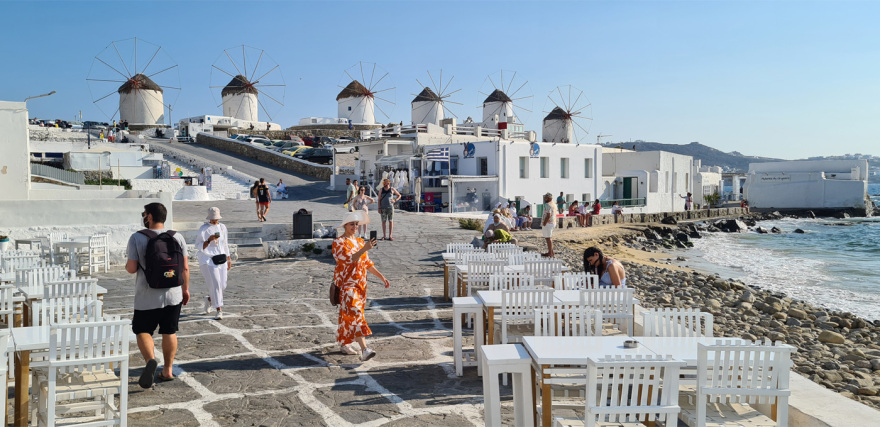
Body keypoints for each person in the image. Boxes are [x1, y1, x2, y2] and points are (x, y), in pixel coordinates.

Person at [125, 202, 190, 388]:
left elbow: (131, 269)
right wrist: (185, 289)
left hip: (147, 294)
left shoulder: (137, 238)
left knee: (142, 330)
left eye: (144, 213)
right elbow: (185, 267)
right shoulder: (177, 237)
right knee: (169, 330)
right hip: (173, 293)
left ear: (150, 216)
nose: (144, 216)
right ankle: (168, 370)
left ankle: (151, 361)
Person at [333, 210, 390, 361]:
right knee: (356, 314)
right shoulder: (338, 243)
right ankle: (365, 349)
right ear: (345, 226)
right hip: (347, 286)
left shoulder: (359, 241)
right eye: (352, 224)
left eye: (356, 224)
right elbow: (348, 259)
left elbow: (367, 264)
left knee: (349, 316)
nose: (355, 226)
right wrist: (365, 249)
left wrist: (381, 277)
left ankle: (345, 344)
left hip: (361, 286)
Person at [195, 207, 231, 320]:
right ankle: (219, 309)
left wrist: (229, 258)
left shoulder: (222, 227)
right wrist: (209, 240)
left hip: (221, 259)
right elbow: (199, 246)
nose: (214, 221)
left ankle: (210, 299)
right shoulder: (204, 229)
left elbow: (225, 243)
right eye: (212, 219)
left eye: (216, 219)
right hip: (208, 260)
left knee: (222, 285)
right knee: (215, 284)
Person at [541, 193, 557, 257]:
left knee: (548, 238)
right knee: (549, 237)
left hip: (548, 223)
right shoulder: (554, 204)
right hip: (553, 223)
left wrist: (544, 222)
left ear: (549, 198)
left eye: (546, 198)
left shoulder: (547, 204)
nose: (545, 199)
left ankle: (550, 253)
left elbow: (548, 215)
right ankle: (551, 252)